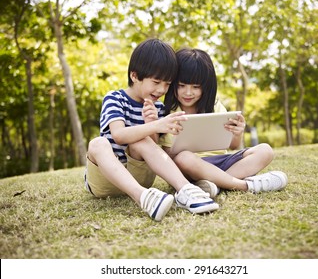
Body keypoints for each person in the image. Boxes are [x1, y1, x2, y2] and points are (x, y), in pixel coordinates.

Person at [84, 39, 219, 222]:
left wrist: (153, 123)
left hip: (140, 176)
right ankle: (143, 198)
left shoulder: (159, 108)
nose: (162, 89)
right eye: (156, 82)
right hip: (105, 181)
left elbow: (155, 151)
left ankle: (187, 191)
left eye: (167, 84)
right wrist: (154, 125)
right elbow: (119, 135)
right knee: (98, 144)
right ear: (134, 75)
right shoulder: (114, 99)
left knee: (144, 141)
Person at [160, 47, 288, 197]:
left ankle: (214, 184)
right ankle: (242, 185)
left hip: (222, 163)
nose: (188, 92)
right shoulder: (169, 113)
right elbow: (166, 157)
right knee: (184, 158)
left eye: (195, 87)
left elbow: (232, 146)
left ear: (206, 86)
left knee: (265, 150)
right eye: (181, 86)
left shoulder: (215, 106)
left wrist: (238, 133)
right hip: (188, 169)